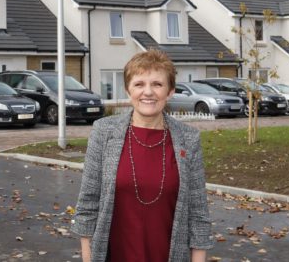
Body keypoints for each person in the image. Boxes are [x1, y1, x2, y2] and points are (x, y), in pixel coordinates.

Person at [71, 49, 214, 262]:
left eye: (157, 84)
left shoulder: (188, 138)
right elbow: (88, 204)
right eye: (139, 84)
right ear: (129, 90)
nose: (148, 92)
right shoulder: (104, 132)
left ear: (170, 91)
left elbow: (198, 214)